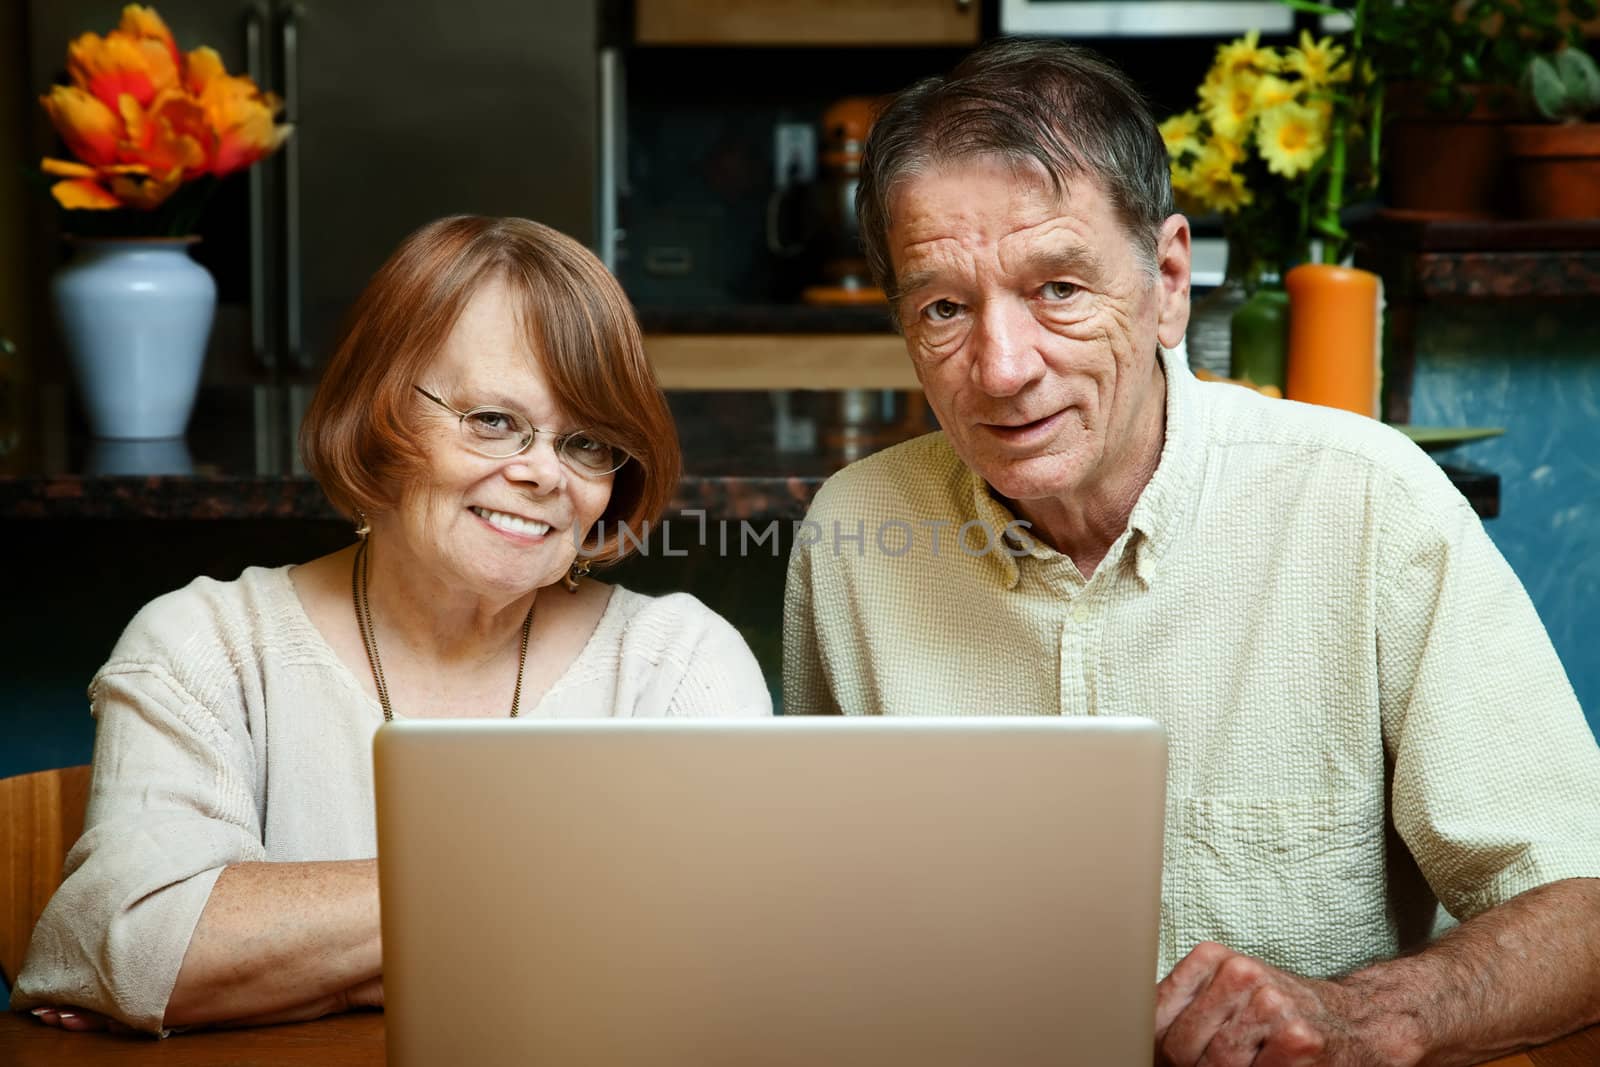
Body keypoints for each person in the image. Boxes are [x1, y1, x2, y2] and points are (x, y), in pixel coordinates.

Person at [782, 39, 1600, 1066]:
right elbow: (824, 924)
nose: (1000, 367)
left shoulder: (1369, 506)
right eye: (944, 306)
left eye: (1059, 289)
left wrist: (1364, 1014)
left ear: (1169, 279)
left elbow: (1582, 907)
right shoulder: (851, 538)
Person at [16, 215, 772, 1035]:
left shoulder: (679, 660)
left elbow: (736, 964)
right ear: (378, 412)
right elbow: (121, 945)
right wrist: (558, 899)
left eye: (588, 442)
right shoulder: (206, 643)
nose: (544, 472)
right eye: (491, 420)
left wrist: (291, 965)